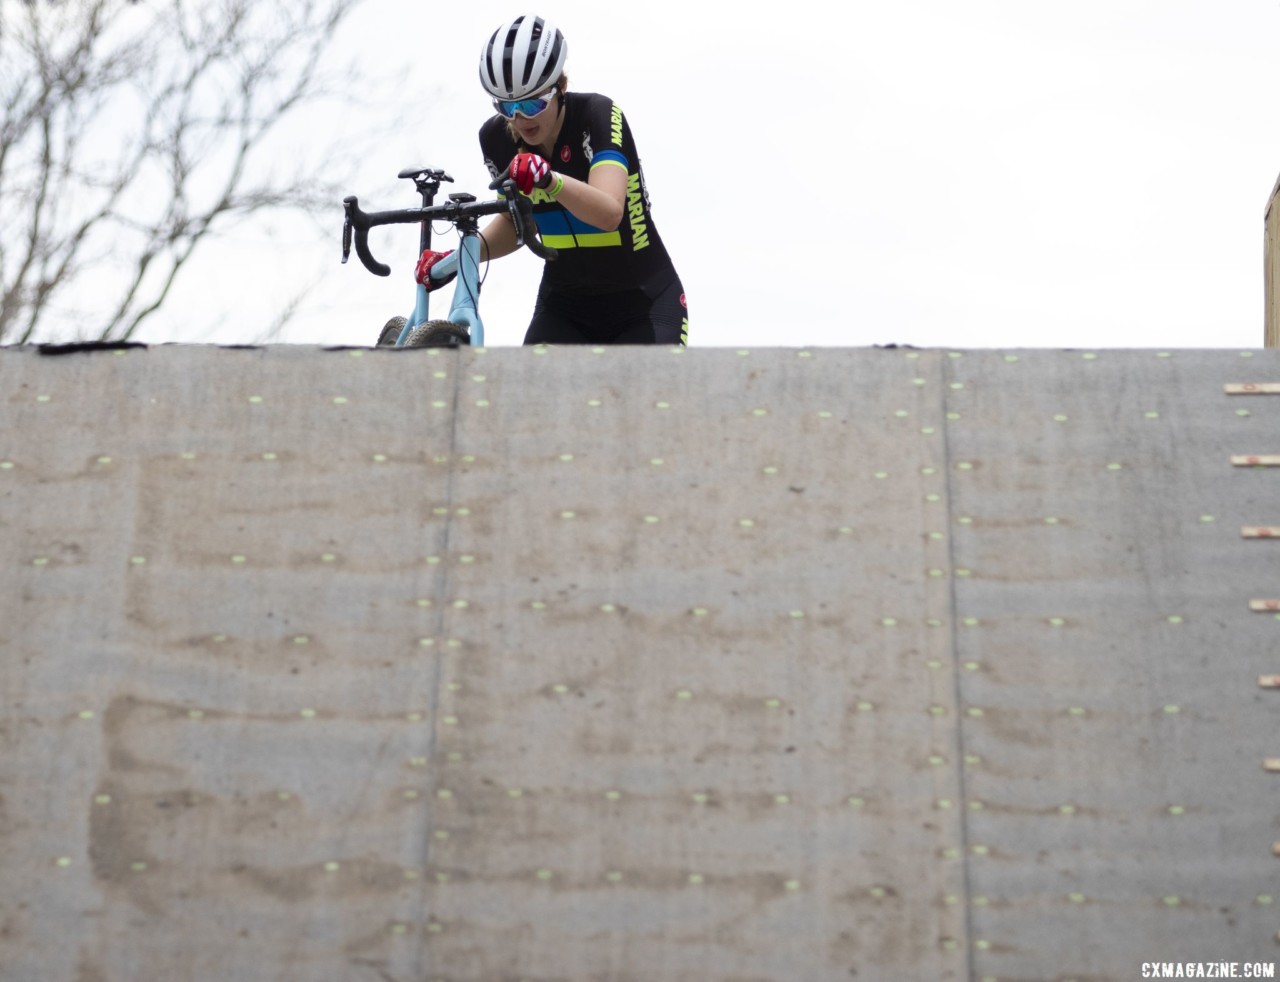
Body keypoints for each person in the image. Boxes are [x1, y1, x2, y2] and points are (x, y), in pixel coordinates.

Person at [416, 14, 687, 346]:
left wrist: (549, 180)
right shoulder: (496, 138)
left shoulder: (598, 115)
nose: (520, 118)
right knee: (528, 396)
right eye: (507, 105)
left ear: (561, 86)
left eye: (533, 103)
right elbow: (517, 226)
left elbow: (610, 213)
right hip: (565, 309)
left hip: (643, 304)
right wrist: (461, 256)